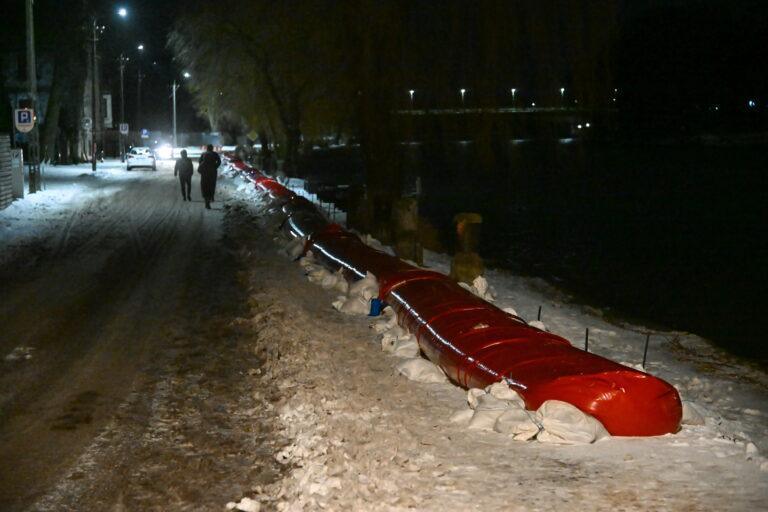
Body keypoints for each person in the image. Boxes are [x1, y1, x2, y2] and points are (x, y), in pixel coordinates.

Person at [198, 144, 221, 209]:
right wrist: (215, 167)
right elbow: (219, 162)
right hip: (212, 174)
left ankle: (207, 201)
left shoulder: (203, 154)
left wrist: (202, 169)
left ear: (207, 148)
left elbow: (199, 163)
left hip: (204, 175)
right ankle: (211, 197)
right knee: (212, 186)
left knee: (205, 188)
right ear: (212, 148)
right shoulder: (215, 154)